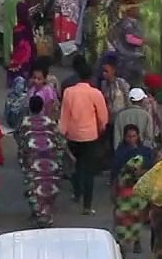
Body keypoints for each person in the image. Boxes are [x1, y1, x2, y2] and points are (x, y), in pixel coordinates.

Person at [58, 64, 108, 215]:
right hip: (90, 136)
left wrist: (62, 133)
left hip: (73, 135)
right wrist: (101, 129)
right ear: (91, 77)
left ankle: (76, 192)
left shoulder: (69, 92)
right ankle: (87, 204)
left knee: (76, 165)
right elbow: (103, 117)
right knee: (88, 170)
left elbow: (64, 115)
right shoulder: (95, 93)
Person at [17, 94, 65, 227]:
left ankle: (38, 213)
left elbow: (21, 141)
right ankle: (46, 214)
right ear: (42, 107)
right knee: (49, 187)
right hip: (51, 160)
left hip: (33, 161)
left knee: (34, 187)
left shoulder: (25, 122)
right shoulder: (50, 122)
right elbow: (60, 140)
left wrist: (22, 159)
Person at [113, 154, 149, 254]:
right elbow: (116, 190)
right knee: (125, 226)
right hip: (126, 207)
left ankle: (134, 243)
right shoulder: (124, 178)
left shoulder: (137, 179)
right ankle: (123, 246)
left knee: (134, 225)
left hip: (132, 206)